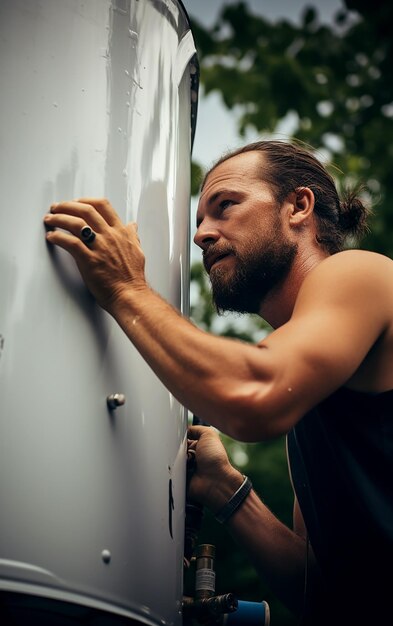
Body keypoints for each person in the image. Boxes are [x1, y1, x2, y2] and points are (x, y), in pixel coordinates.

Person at [43, 141, 393, 624]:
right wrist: (224, 485)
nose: (202, 234)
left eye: (225, 206)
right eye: (199, 221)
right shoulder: (312, 400)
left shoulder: (360, 273)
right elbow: (321, 590)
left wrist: (126, 290)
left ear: (298, 206)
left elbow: (254, 393)